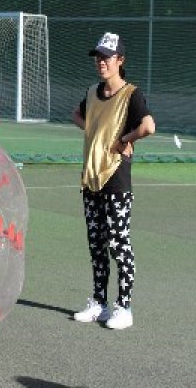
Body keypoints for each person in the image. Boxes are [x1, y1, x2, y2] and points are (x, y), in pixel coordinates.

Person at [72, 32, 155, 330]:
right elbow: (77, 115)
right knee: (96, 244)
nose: (101, 62)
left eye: (107, 57)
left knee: (118, 244)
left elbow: (148, 126)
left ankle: (124, 307)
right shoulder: (93, 91)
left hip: (116, 178)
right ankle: (99, 303)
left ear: (120, 60)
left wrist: (125, 140)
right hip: (91, 177)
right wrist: (94, 132)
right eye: (98, 57)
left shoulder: (131, 94)